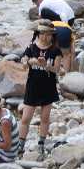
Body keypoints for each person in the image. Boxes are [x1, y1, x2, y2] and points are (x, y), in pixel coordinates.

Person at [20, 19, 61, 155]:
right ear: (38, 34)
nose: (45, 37)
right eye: (42, 33)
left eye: (48, 34)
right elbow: (24, 62)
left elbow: (57, 69)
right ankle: (20, 145)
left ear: (52, 36)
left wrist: (46, 65)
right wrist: (29, 62)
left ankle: (41, 144)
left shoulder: (55, 50)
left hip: (48, 87)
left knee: (45, 117)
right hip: (32, 86)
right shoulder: (31, 48)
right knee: (26, 118)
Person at [31, 0, 75, 73]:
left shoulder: (43, 5)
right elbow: (72, 50)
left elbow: (40, 21)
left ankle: (55, 71)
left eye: (36, 3)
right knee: (67, 54)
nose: (37, 6)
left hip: (59, 25)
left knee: (55, 51)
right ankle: (67, 74)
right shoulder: (52, 0)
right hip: (69, 22)